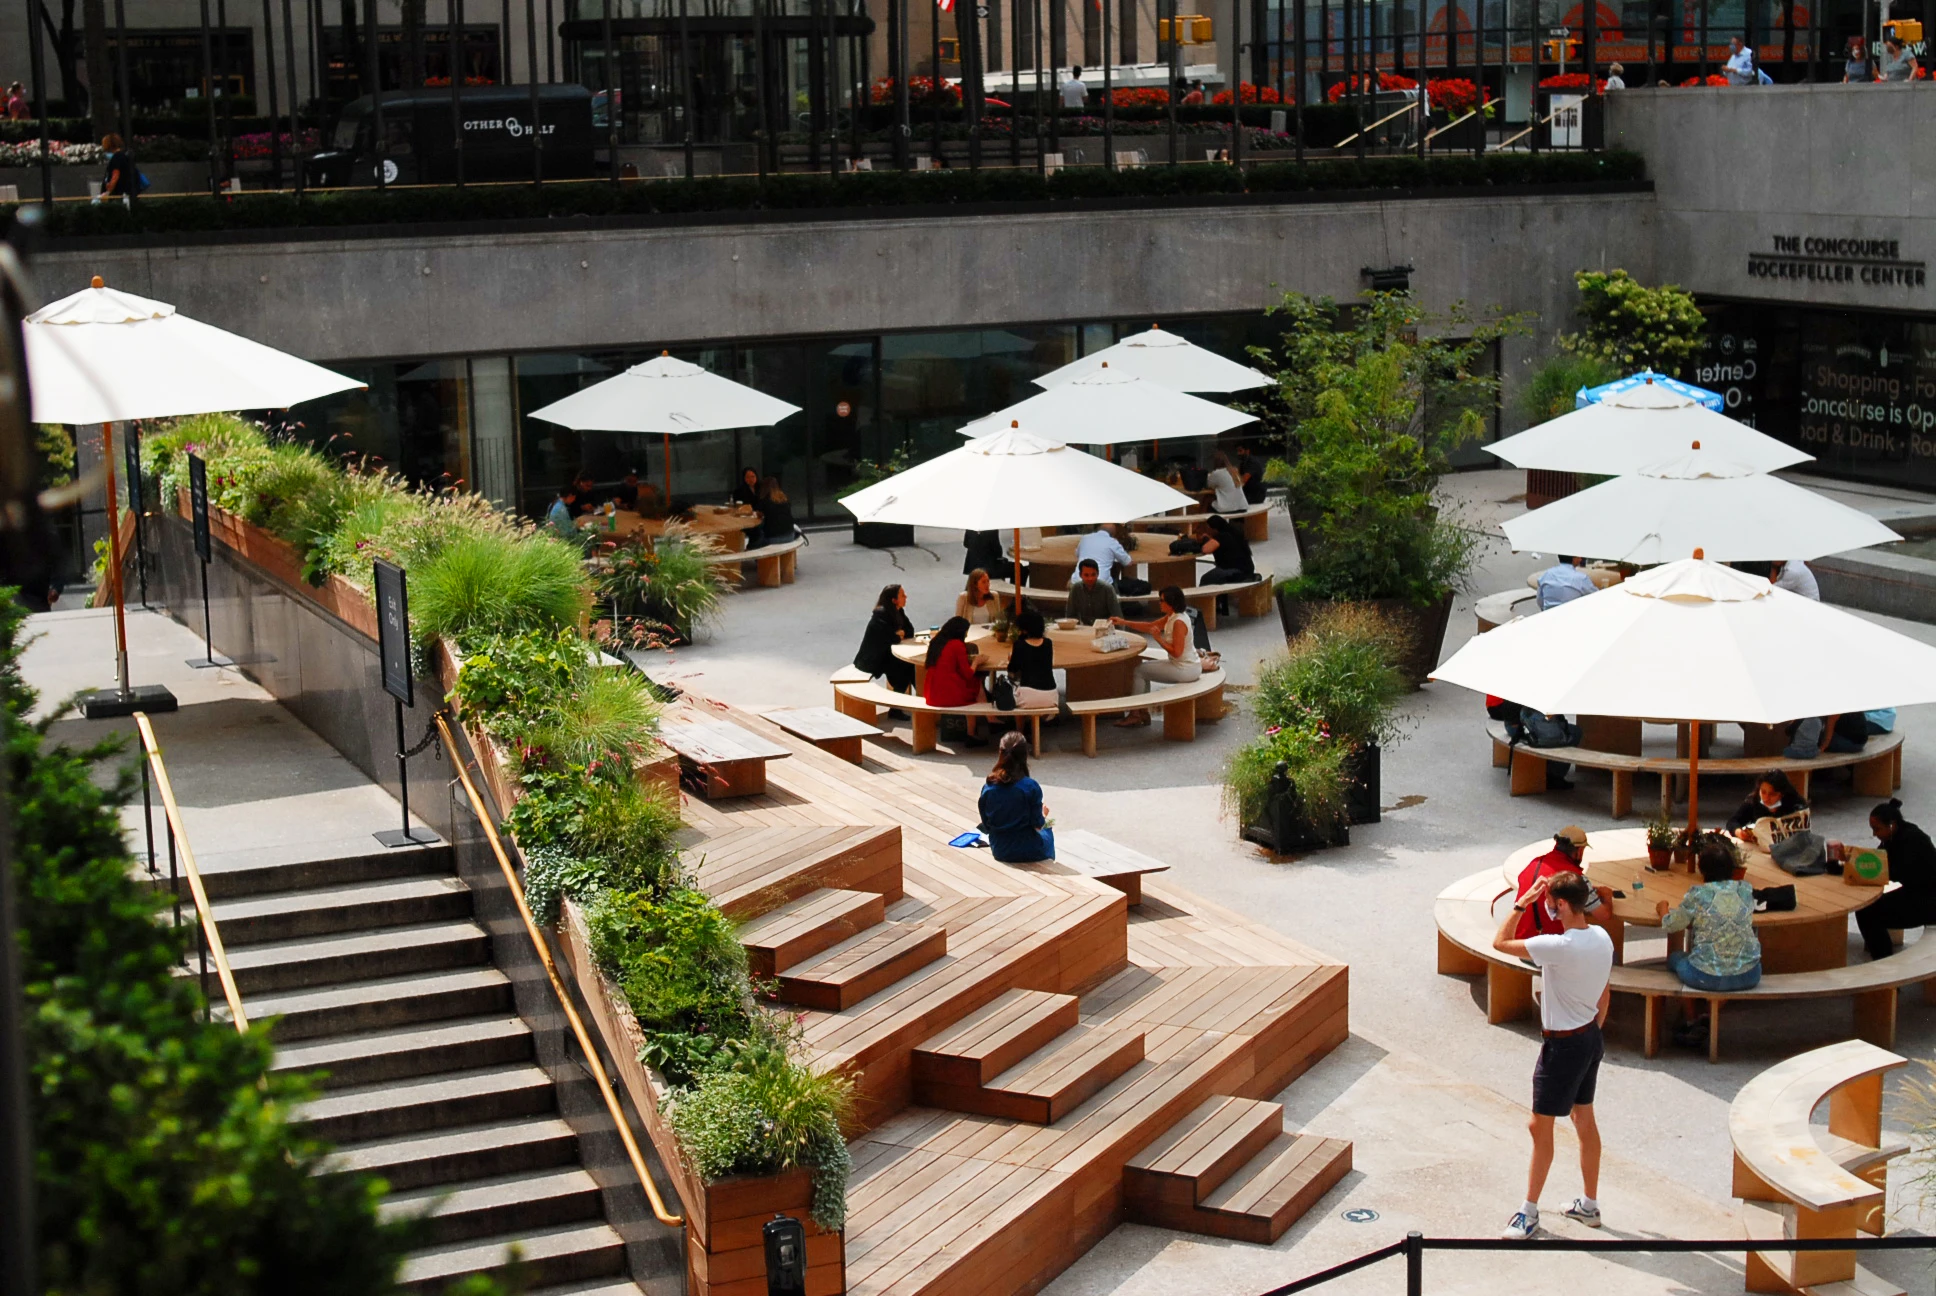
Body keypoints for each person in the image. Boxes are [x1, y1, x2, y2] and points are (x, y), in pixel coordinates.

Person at [1492, 870, 1612, 1240]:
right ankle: (1589, 1205)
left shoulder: (1557, 946)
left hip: (1562, 1047)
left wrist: (1521, 902)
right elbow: (1604, 991)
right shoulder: (1602, 938)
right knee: (1584, 1120)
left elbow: (1500, 942)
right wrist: (1590, 1031)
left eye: (1550, 902)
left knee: (1539, 1126)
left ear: (1561, 905)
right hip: (1590, 1038)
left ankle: (1528, 1213)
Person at [1659, 838, 1762, 1043]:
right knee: (1730, 961)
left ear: (1702, 869)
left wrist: (1662, 908)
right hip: (1749, 974)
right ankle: (1708, 1014)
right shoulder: (1745, 890)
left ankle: (1691, 1021)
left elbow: (1672, 924)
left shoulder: (1698, 894)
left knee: (1676, 959)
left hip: (1705, 976)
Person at [1846, 800, 1936, 960]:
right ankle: (1880, 950)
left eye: (1876, 829)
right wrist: (1849, 861)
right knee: (1869, 907)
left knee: (1868, 911)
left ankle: (1883, 959)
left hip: (1928, 903)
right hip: (1915, 892)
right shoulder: (1895, 837)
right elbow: (1878, 861)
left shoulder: (1912, 841)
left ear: (1891, 825)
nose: (1874, 834)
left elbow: (1890, 872)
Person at [1110, 586, 1199, 727]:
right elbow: (1150, 626)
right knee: (1143, 670)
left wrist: (1158, 639)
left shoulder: (1179, 622)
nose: (1159, 603)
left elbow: (1177, 652)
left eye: (1162, 600)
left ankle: (1135, 714)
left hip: (1185, 669)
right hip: (1184, 665)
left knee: (1139, 671)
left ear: (1171, 603)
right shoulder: (1172, 616)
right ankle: (1142, 712)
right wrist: (1123, 622)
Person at [978, 731, 1053, 863]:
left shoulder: (989, 787)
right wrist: (1044, 814)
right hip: (1029, 848)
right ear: (1024, 755)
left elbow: (987, 824)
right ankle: (1049, 864)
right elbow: (1038, 825)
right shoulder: (1030, 786)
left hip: (1000, 849)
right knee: (1048, 830)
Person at [1511, 826, 1592, 939]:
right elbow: (1604, 914)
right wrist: (1606, 894)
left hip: (1520, 940)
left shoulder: (1534, 864)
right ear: (1579, 851)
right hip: (1553, 945)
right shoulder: (1575, 879)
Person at [923, 616, 988, 745]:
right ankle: (975, 731)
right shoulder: (957, 645)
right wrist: (976, 661)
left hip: (931, 692)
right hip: (948, 694)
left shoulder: (936, 642)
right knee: (976, 685)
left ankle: (988, 720)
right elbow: (968, 674)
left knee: (973, 686)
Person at [854, 584, 917, 697]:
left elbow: (909, 631)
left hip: (887, 654)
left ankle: (920, 699)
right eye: (902, 595)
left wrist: (900, 634)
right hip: (873, 659)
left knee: (911, 668)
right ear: (894, 600)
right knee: (905, 670)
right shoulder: (881, 614)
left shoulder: (899, 611)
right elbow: (891, 638)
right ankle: (898, 707)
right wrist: (898, 635)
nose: (906, 597)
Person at [1725, 770, 1808, 835]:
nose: (1766, 798)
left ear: (1782, 794)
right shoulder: (1754, 800)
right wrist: (1739, 832)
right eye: (1763, 792)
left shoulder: (1796, 805)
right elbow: (1733, 821)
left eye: (1772, 794)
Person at [1006, 608, 1060, 708]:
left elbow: (1012, 670)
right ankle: (1047, 718)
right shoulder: (1048, 643)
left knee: (1012, 690)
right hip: (1051, 695)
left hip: (1027, 696)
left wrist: (1012, 659)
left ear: (1024, 630)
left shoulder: (1019, 645)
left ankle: (1020, 723)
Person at [1199, 515, 1257, 585]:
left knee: (1206, 579)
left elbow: (1205, 549)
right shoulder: (1234, 533)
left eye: (1207, 528)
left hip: (1235, 571)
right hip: (1247, 569)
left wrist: (1205, 539)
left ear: (1213, 529)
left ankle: (1210, 595)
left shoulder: (1222, 536)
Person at [1784, 710, 1868, 759]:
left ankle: (1821, 777)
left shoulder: (1835, 706)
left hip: (1851, 743)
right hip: (1860, 740)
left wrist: (1822, 748)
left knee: (1813, 739)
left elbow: (1829, 730)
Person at [1067, 559, 1123, 624]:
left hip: (1105, 628)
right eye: (1086, 575)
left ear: (1098, 574)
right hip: (1085, 629)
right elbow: (1071, 616)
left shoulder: (1107, 589)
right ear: (1080, 575)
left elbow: (1117, 617)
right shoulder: (1076, 589)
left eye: (1093, 575)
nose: (1090, 578)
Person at [98, 134, 138, 204]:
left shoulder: (116, 157)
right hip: (125, 193)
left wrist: (108, 192)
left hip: (117, 194)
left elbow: (115, 175)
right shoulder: (124, 156)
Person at [756, 476, 795, 542]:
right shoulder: (784, 498)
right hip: (790, 534)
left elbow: (759, 514)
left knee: (756, 536)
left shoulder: (765, 500)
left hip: (774, 537)